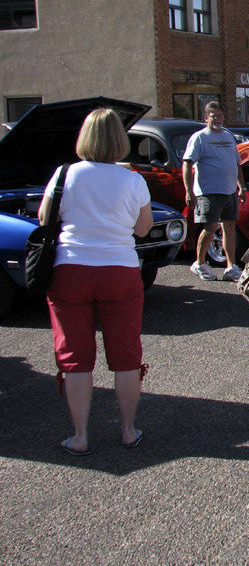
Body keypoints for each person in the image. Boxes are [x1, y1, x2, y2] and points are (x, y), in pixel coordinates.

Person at [41, 108, 153, 456]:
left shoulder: (64, 175)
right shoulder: (133, 179)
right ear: (120, 139)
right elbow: (143, 229)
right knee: (125, 354)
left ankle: (79, 436)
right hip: (119, 269)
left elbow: (46, 217)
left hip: (71, 269)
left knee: (75, 357)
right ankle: (127, 430)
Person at [183, 102, 246, 282]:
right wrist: (189, 191)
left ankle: (231, 267)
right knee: (210, 228)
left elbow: (236, 163)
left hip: (229, 192)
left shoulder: (228, 136)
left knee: (230, 228)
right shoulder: (199, 137)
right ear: (206, 118)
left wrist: (242, 187)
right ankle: (199, 263)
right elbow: (187, 164)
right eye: (213, 116)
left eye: (219, 115)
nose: (217, 119)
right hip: (208, 191)